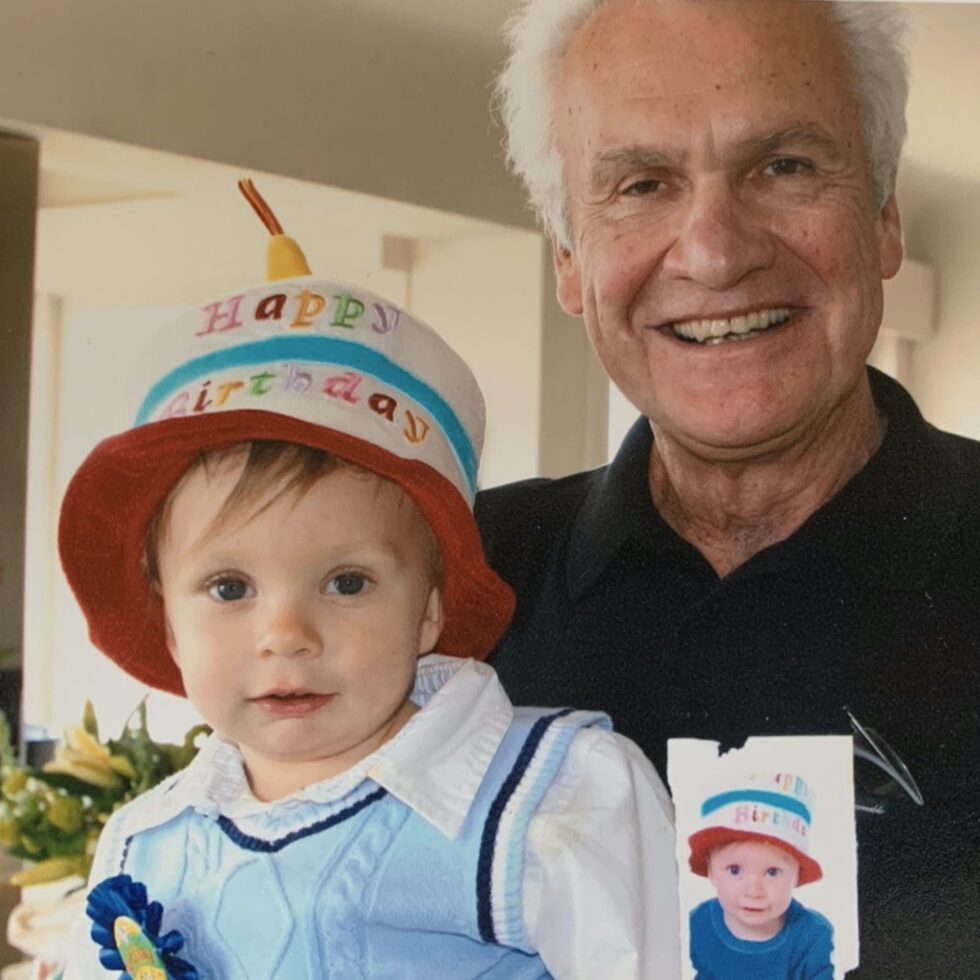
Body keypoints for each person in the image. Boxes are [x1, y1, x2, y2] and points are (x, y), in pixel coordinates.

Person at [58, 191, 679, 978]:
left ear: (430, 608)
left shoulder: (556, 801)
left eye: (346, 582)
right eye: (229, 588)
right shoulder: (142, 845)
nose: (287, 636)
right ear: (167, 620)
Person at [478, 1, 980, 975]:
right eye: (640, 184)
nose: (713, 252)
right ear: (569, 261)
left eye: (782, 166)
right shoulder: (446, 587)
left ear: (883, 218)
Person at [687, 773, 833, 979]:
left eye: (772, 872)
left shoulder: (811, 935)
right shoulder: (698, 924)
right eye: (735, 870)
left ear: (796, 875)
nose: (754, 891)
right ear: (711, 871)